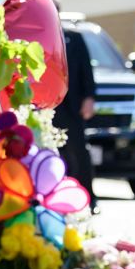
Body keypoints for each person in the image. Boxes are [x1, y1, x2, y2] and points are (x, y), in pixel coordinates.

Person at [53, 25, 98, 211]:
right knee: (54, 152)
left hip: (72, 105)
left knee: (78, 152)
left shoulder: (74, 37)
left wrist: (89, 97)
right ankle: (56, 199)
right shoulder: (36, 33)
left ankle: (88, 198)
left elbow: (86, 69)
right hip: (48, 105)